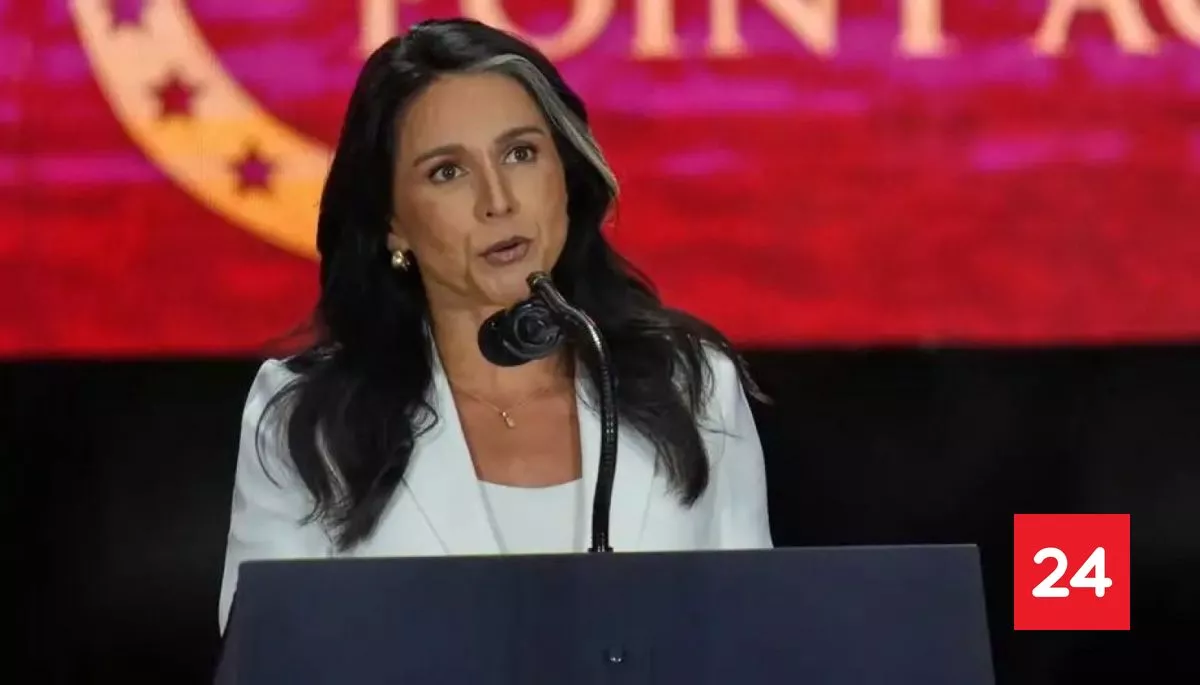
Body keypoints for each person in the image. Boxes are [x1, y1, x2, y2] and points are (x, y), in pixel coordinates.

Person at [218, 17, 773, 633]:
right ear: (392, 224)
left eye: (520, 153)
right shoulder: (306, 421)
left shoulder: (692, 386)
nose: (498, 200)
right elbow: (270, 658)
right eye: (447, 171)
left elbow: (751, 641)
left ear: (565, 176)